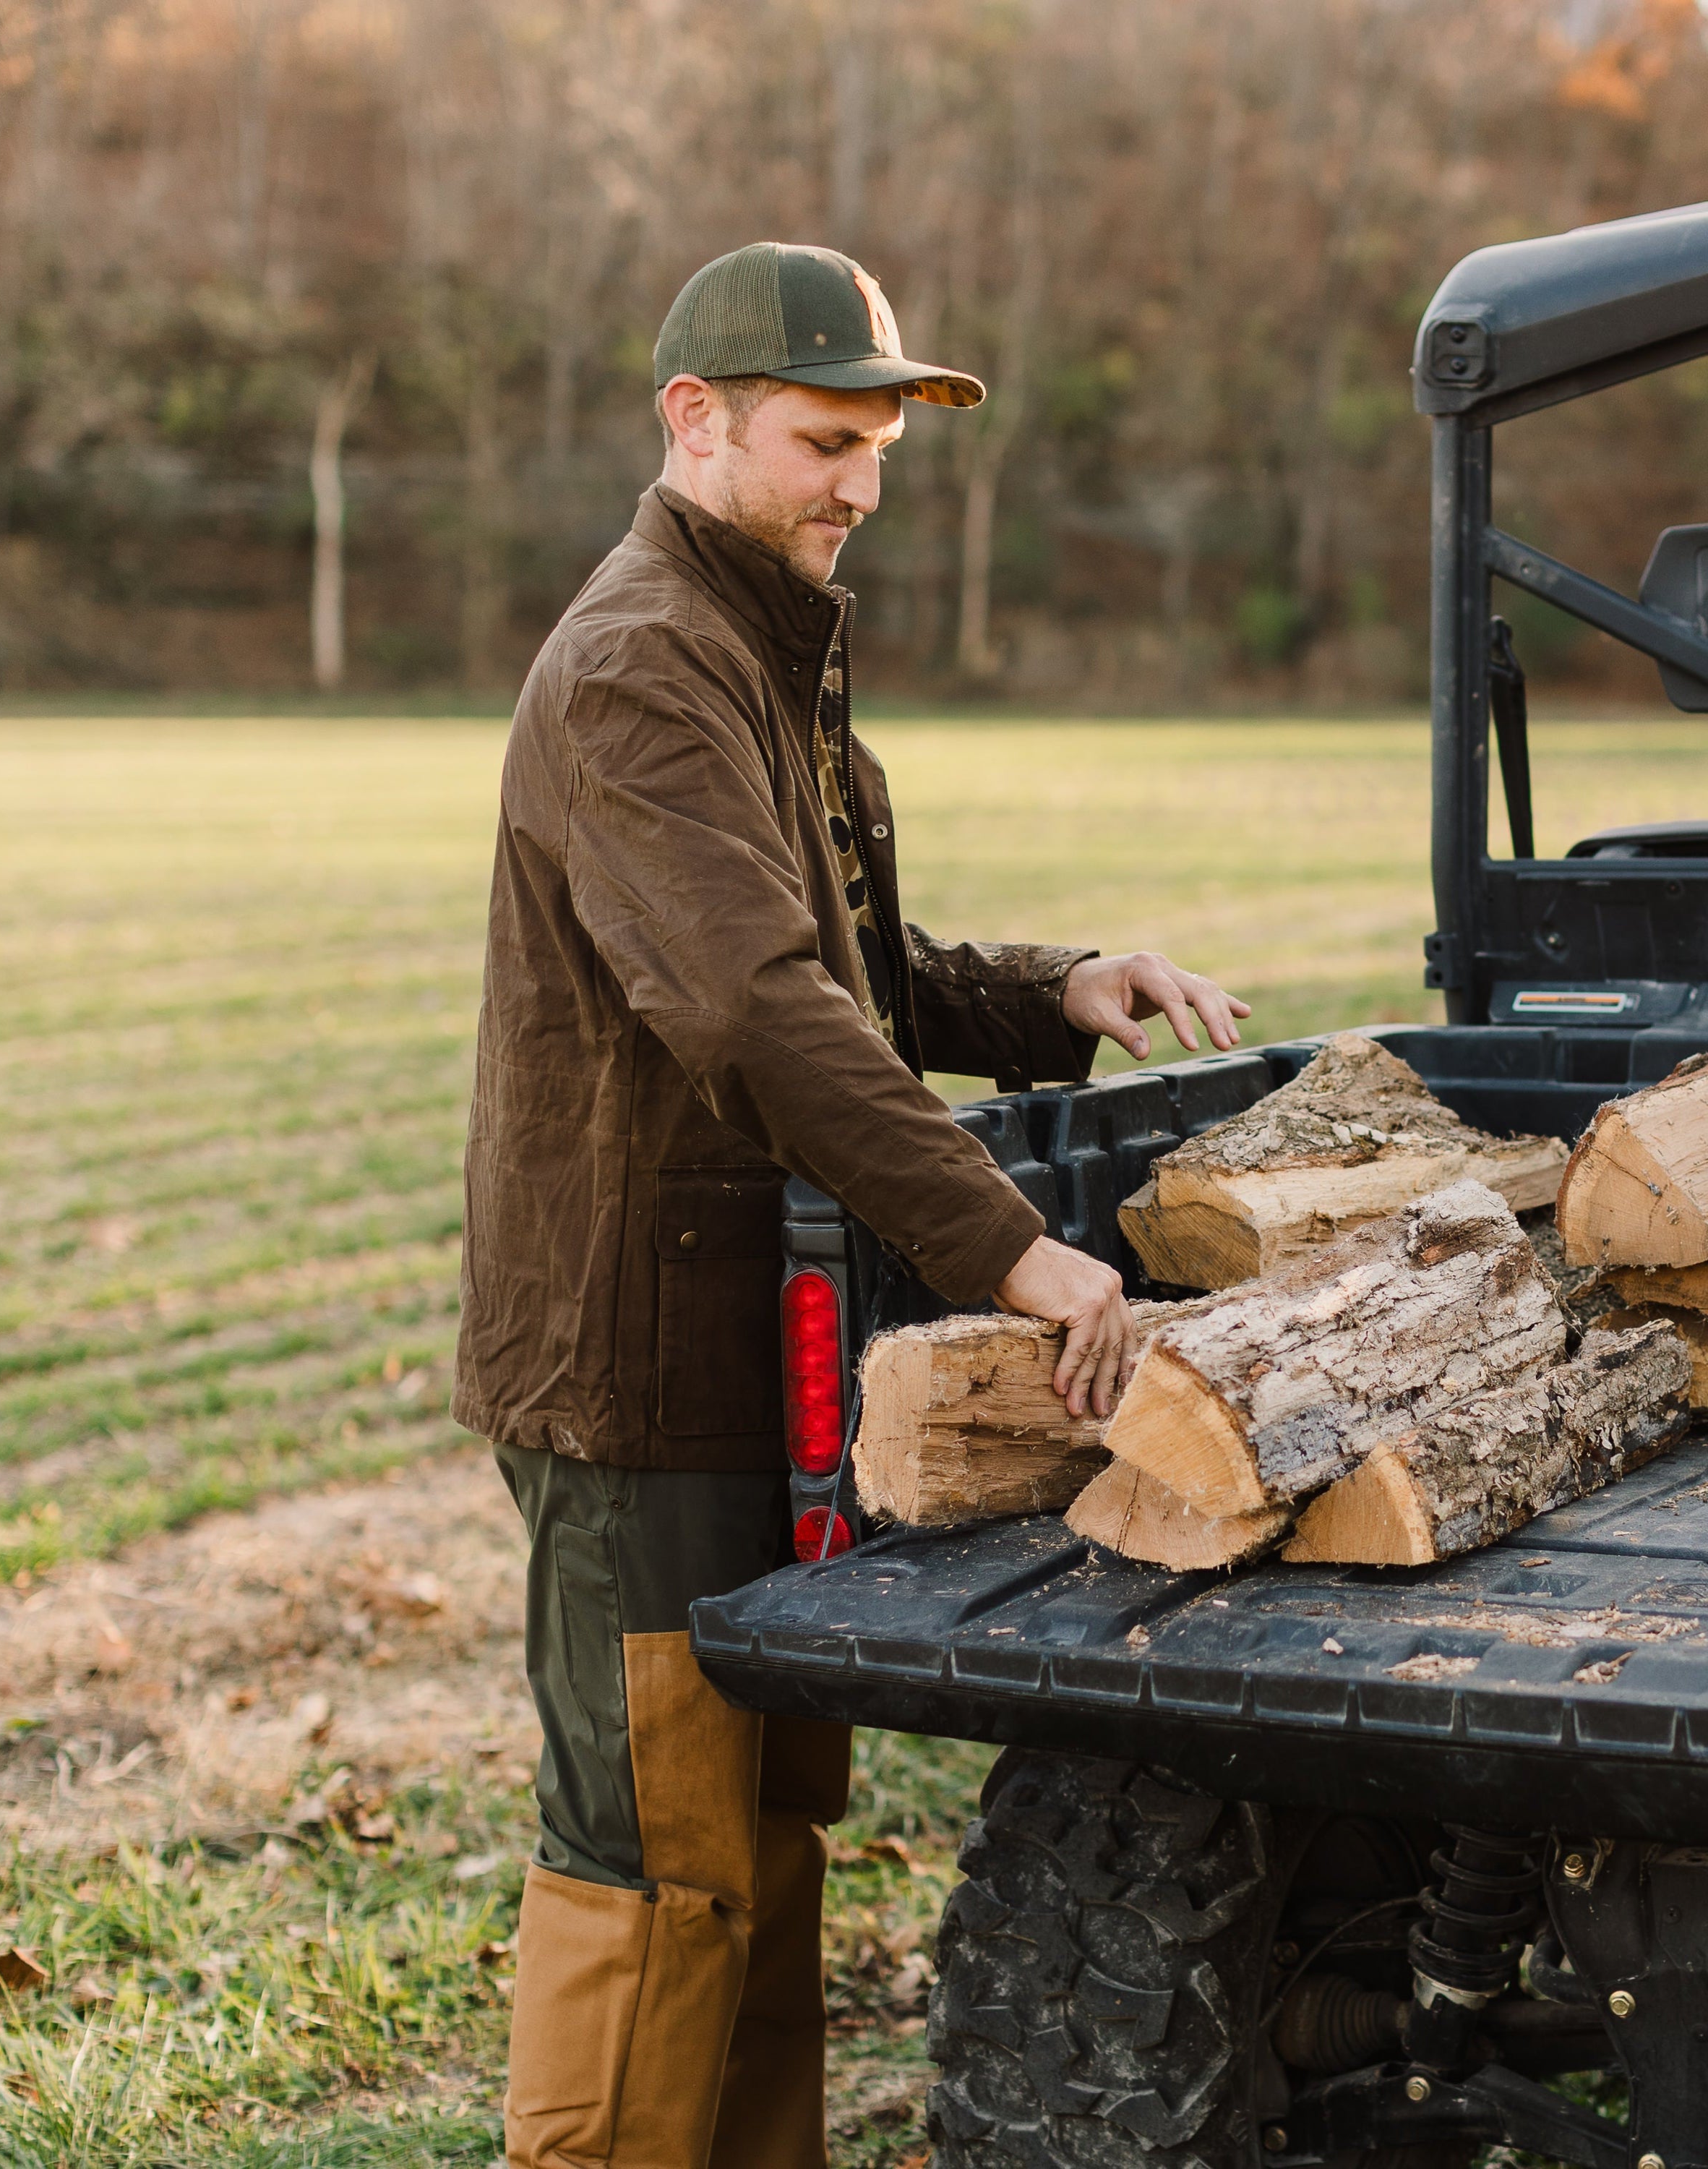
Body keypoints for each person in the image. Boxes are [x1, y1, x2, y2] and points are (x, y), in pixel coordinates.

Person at [452, 241, 1249, 2169]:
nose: (862, 486)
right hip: (634, 1378)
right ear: (695, 422)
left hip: (747, 1341)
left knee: (755, 1839)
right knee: (654, 1862)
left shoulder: (756, 644)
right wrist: (1015, 1241)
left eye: (882, 445)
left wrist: (1048, 988)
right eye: (826, 442)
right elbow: (754, 1010)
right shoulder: (646, 664)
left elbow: (846, 970)